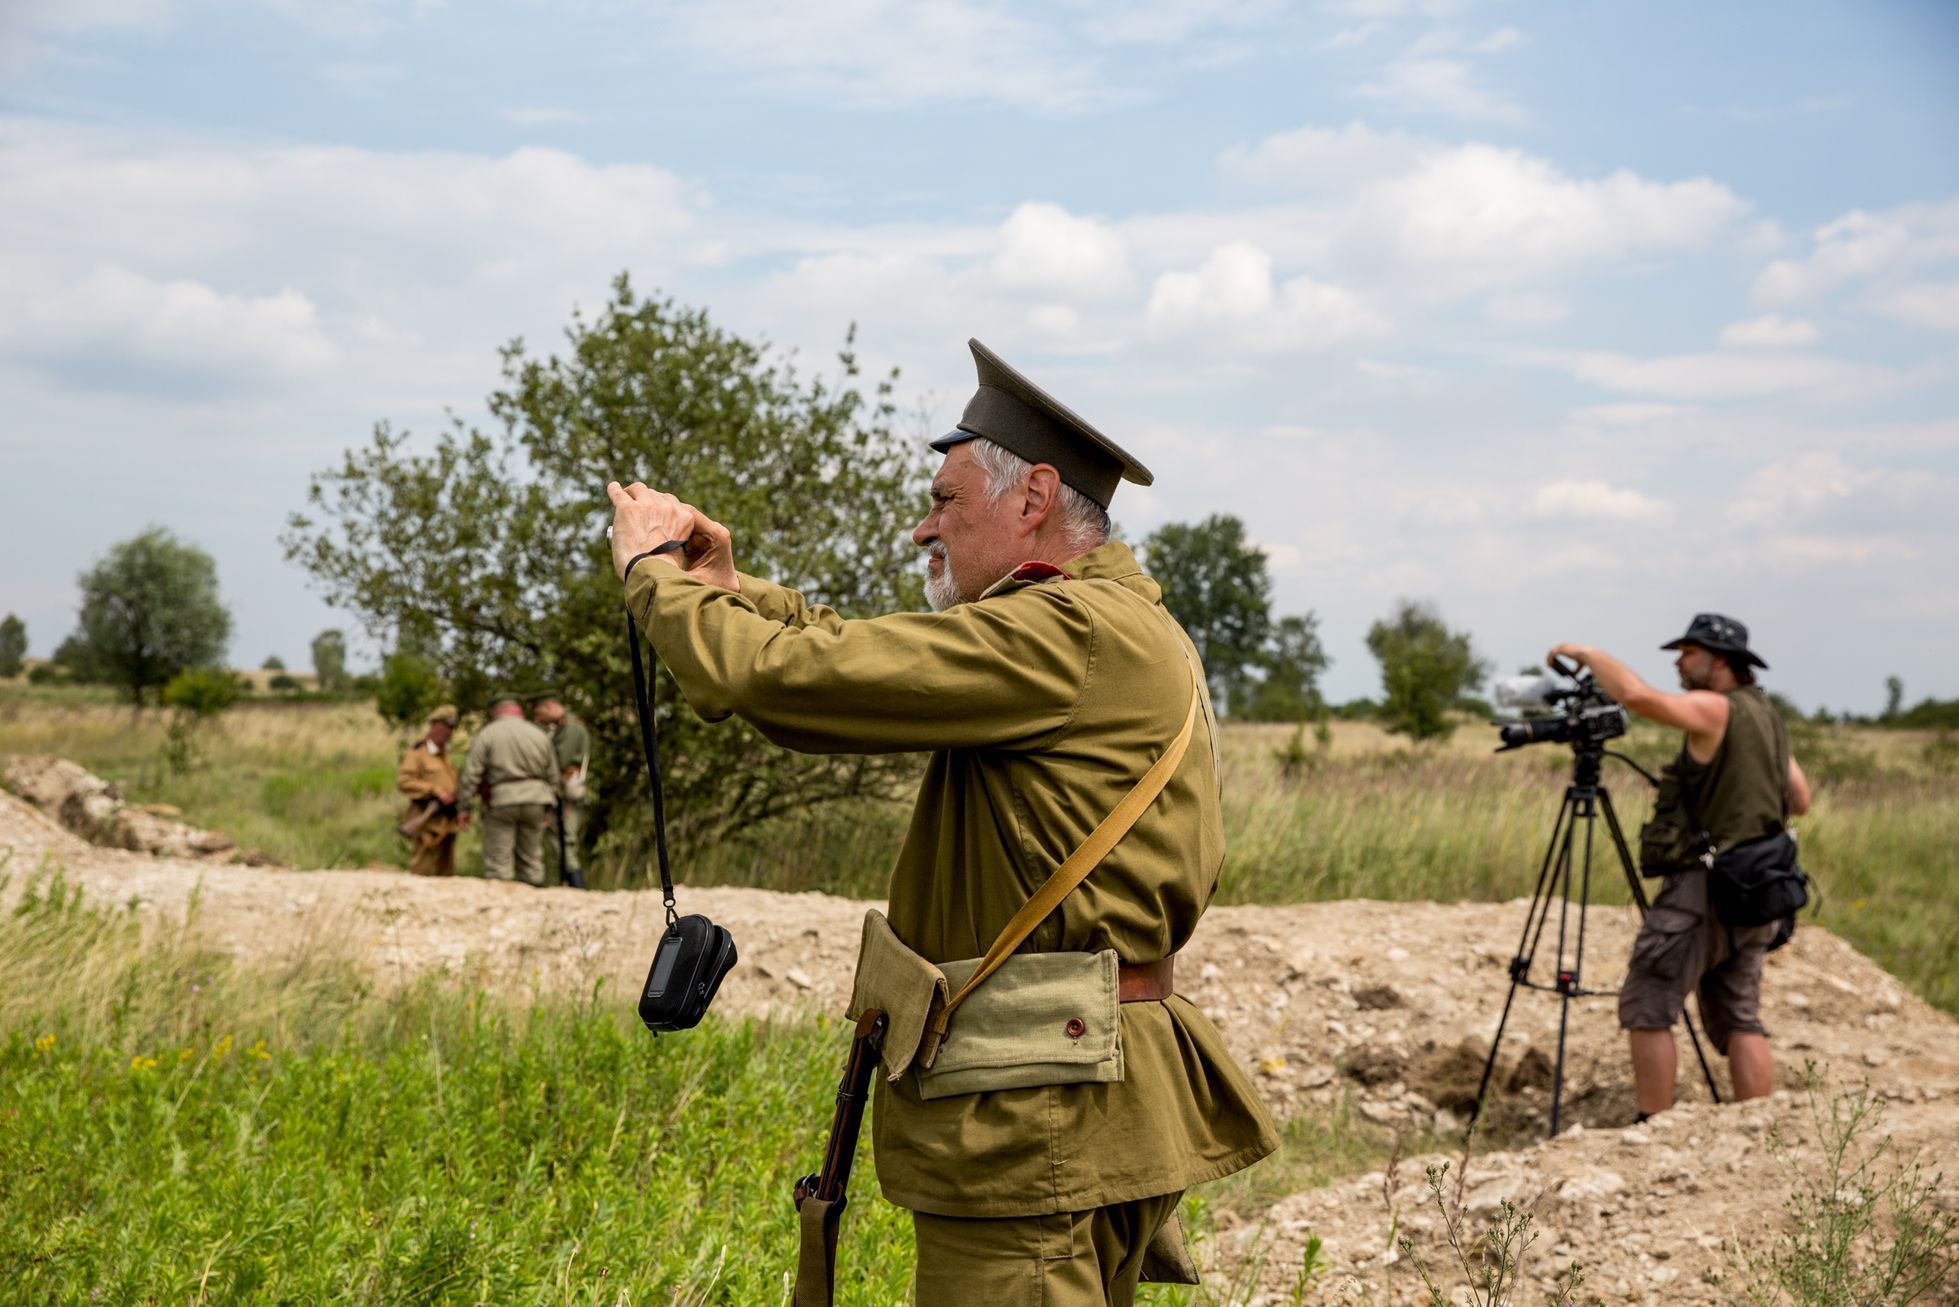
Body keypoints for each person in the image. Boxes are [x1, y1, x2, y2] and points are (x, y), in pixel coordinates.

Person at [605, 339, 1276, 1305]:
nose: (925, 529)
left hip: (1032, 1112)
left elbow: (787, 681)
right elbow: (857, 648)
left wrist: (653, 575)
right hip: (1065, 1089)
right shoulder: (1099, 623)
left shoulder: (1067, 630)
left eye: (945, 502)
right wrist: (729, 589)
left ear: (1033, 498)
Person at [1548, 614, 1811, 1121]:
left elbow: (1640, 698)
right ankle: (1756, 1129)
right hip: (1762, 885)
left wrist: (1585, 652)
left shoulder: (1716, 708)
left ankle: (1655, 1127)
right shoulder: (1768, 716)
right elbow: (1799, 799)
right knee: (1740, 1017)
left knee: (1649, 1001)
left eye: (1689, 653)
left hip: (1705, 885)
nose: (1678, 662)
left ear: (1721, 662)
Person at [457, 693, 559, 887]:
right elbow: (553, 776)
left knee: (499, 863)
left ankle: (500, 907)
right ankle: (533, 902)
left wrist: (465, 808)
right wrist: (548, 806)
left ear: (495, 711)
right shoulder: (538, 733)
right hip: (536, 800)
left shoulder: (488, 733)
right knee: (532, 860)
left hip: (501, 800)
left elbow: (471, 775)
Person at [395, 703, 464, 876]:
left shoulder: (445, 753)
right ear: (434, 725)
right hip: (427, 818)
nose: (449, 732)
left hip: (447, 821)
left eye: (452, 728)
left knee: (446, 872)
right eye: (446, 727)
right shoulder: (419, 753)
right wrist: (434, 790)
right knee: (422, 870)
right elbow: (404, 781)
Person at [531, 694, 591, 888]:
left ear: (549, 707)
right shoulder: (563, 726)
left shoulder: (571, 727)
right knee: (558, 837)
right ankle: (569, 881)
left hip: (566, 788)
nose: (538, 719)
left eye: (539, 714)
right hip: (561, 789)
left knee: (566, 837)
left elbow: (560, 760)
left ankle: (576, 885)